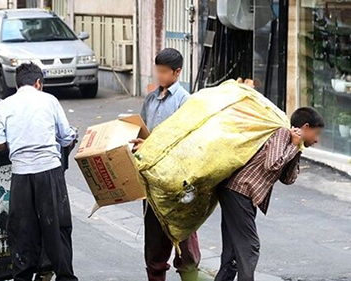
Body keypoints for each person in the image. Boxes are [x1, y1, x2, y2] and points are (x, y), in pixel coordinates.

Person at [0, 63, 78, 281]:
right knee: (57, 227)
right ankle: (65, 276)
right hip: (49, 172)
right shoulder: (49, 100)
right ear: (38, 83)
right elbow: (66, 137)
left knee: (23, 230)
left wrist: (14, 143)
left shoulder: (4, 106)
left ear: (17, 84)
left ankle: (23, 277)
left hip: (21, 175)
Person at [215, 107, 324, 281]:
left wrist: (296, 149)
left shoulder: (295, 143)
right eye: (316, 133)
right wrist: (294, 145)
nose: (317, 140)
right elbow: (272, 165)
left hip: (241, 194)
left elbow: (288, 179)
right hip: (239, 190)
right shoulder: (282, 133)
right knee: (249, 247)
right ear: (305, 127)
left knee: (233, 250)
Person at [131, 48, 201, 281]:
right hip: (151, 180)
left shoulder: (185, 101)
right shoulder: (151, 99)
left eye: (164, 72)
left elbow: (185, 140)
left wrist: (151, 145)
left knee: (184, 240)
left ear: (177, 72)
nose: (159, 76)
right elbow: (144, 131)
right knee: (154, 243)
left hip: (177, 182)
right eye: (157, 71)